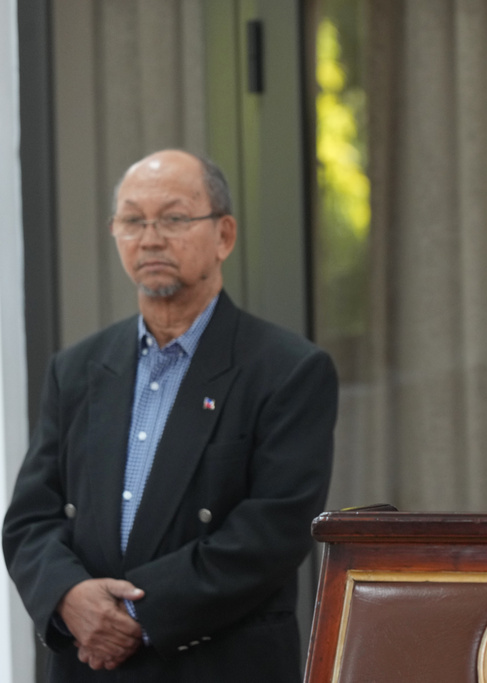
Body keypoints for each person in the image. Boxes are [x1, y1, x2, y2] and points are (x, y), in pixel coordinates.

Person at [3, 150, 338, 681]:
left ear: (224, 235)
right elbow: (30, 519)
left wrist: (137, 612)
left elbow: (273, 530)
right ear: (115, 234)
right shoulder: (78, 369)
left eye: (175, 218)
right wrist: (70, 597)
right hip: (87, 664)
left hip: (216, 661)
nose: (151, 238)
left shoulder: (288, 370)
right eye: (133, 220)